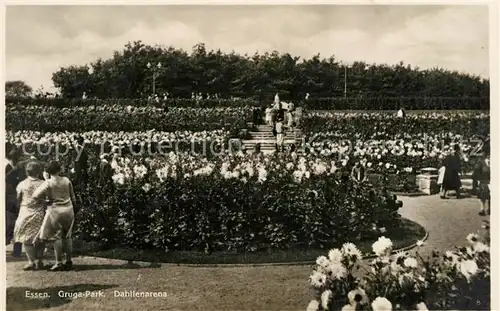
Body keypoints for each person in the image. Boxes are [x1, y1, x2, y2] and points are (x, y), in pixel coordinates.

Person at [32, 161, 76, 271]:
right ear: (59, 169)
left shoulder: (48, 183)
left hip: (55, 210)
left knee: (56, 237)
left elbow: (35, 196)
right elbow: (73, 197)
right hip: (68, 209)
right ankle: (69, 260)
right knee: (67, 236)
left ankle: (58, 262)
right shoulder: (66, 180)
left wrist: (45, 201)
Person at [12, 162, 47, 270]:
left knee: (26, 239)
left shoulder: (22, 184)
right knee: (40, 238)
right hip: (40, 212)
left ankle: (31, 261)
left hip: (26, 212)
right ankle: (39, 260)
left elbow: (18, 199)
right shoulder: (43, 183)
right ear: (38, 171)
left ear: (27, 172)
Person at [475, 149, 490, 216]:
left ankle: (490, 209)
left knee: (491, 195)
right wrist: (478, 180)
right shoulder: (481, 162)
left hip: (492, 180)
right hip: (483, 181)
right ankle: (482, 209)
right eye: (488, 156)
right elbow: (477, 172)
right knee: (483, 196)